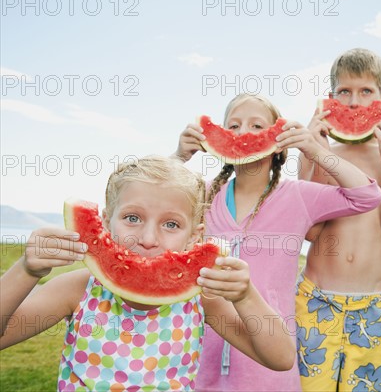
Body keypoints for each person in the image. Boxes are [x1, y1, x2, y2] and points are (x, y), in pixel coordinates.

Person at [0, 156, 295, 391]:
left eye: (171, 224)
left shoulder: (201, 299)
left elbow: (281, 358)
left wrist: (246, 296)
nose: (149, 238)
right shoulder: (78, 290)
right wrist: (26, 271)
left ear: (195, 237)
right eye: (132, 218)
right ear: (105, 222)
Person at [172, 93, 381, 391]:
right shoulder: (201, 193)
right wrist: (178, 157)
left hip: (270, 359)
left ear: (279, 139)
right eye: (232, 126)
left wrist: (313, 148)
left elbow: (367, 195)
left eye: (257, 126)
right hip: (199, 355)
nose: (244, 133)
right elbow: (150, 200)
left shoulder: (298, 196)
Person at [295, 48, 381, 391]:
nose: (353, 102)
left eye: (366, 91)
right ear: (329, 99)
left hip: (374, 306)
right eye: (343, 92)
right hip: (316, 301)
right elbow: (309, 231)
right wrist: (316, 156)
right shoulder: (316, 154)